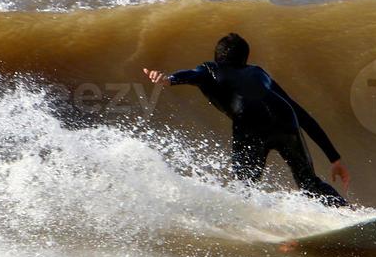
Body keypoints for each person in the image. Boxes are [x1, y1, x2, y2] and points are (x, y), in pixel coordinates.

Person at [144, 32, 350, 206]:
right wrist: (334, 158)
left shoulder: (209, 69)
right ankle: (344, 213)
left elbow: (192, 74)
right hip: (286, 119)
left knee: (245, 189)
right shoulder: (259, 73)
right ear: (245, 58)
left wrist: (169, 79)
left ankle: (257, 231)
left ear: (217, 56)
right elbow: (300, 113)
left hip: (251, 126)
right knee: (310, 184)